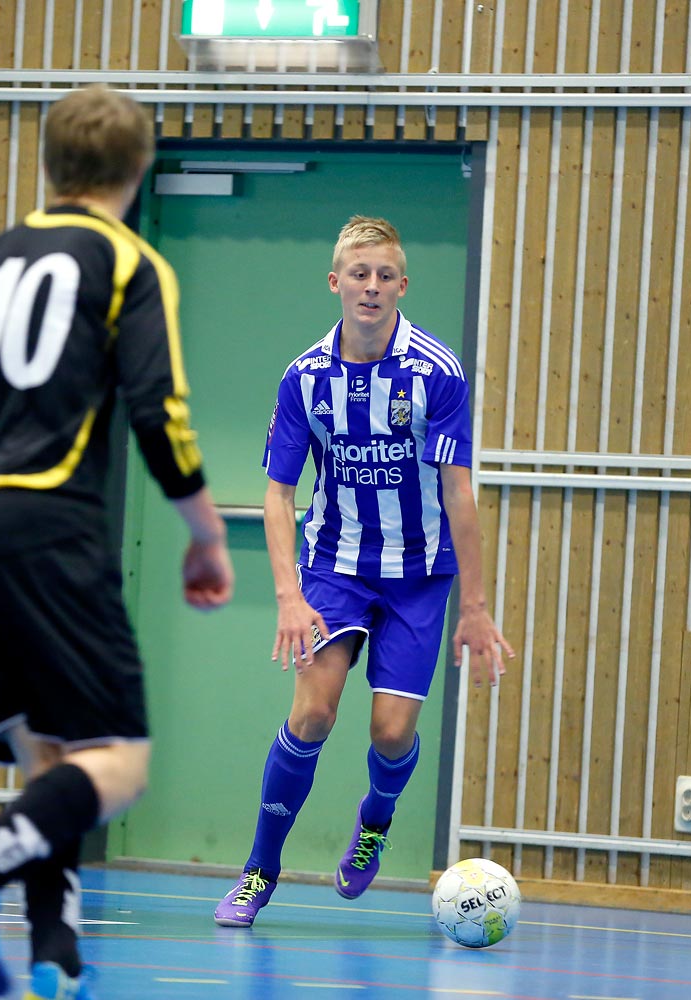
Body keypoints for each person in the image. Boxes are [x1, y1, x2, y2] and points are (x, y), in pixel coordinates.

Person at [0, 86, 233, 999]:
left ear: (48, 162)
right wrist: (205, 533)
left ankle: (53, 960)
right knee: (118, 762)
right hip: (45, 527)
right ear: (140, 169)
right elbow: (160, 411)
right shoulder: (128, 262)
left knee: (52, 763)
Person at [212, 216, 514, 928]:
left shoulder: (436, 373)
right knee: (313, 710)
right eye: (359, 273)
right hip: (335, 566)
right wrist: (288, 595)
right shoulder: (305, 379)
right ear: (336, 282)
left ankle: (374, 821)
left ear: (402, 285)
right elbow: (279, 495)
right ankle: (259, 869)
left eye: (384, 275)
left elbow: (458, 491)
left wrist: (475, 604)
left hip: (419, 574)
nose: (371, 287)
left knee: (389, 732)